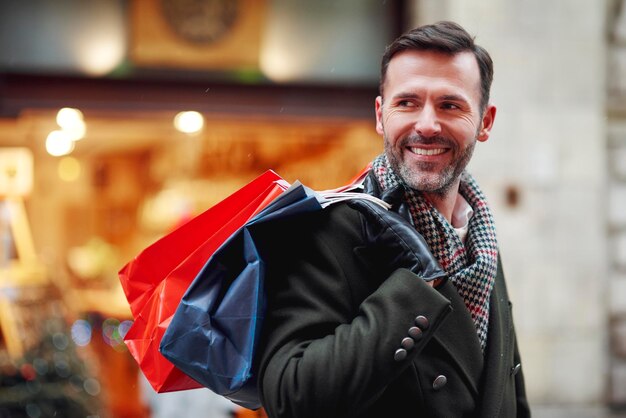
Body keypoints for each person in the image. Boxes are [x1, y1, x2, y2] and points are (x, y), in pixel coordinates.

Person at [253, 21, 530, 417]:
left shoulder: (481, 242)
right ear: (382, 116)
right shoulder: (332, 230)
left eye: (450, 105)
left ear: (485, 122)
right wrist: (414, 288)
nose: (427, 125)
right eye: (408, 103)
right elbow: (290, 396)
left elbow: (509, 393)